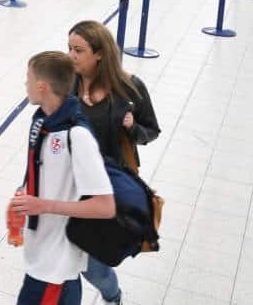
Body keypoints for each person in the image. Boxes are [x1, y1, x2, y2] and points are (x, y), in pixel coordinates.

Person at [66, 21, 161, 305]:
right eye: (69, 48)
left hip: (108, 190)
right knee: (65, 261)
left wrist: (133, 129)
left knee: (95, 267)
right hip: (71, 183)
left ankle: (113, 296)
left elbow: (151, 130)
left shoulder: (130, 88)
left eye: (78, 50)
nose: (71, 55)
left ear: (99, 54)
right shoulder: (67, 83)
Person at [10, 51, 115, 305]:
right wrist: (24, 197)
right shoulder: (43, 122)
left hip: (56, 269)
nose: (25, 84)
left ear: (41, 86)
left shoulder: (77, 136)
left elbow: (105, 206)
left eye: (28, 78)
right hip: (41, 260)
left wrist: (44, 205)